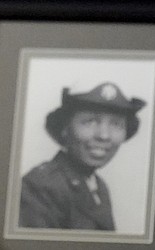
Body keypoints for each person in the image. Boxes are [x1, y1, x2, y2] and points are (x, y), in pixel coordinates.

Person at [19, 81, 146, 231]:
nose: (104, 135)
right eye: (90, 121)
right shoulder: (40, 186)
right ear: (65, 128)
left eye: (116, 124)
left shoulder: (99, 187)